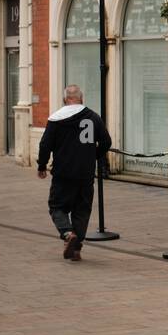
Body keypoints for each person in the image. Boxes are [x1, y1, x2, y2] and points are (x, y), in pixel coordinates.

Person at [37, 85, 111, 261]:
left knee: (57, 207)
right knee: (82, 210)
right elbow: (106, 141)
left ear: (65, 99)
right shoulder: (93, 117)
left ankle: (67, 233)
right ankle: (76, 249)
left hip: (63, 173)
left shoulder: (56, 119)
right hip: (85, 173)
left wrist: (42, 165)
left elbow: (45, 145)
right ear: (81, 98)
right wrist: (94, 156)